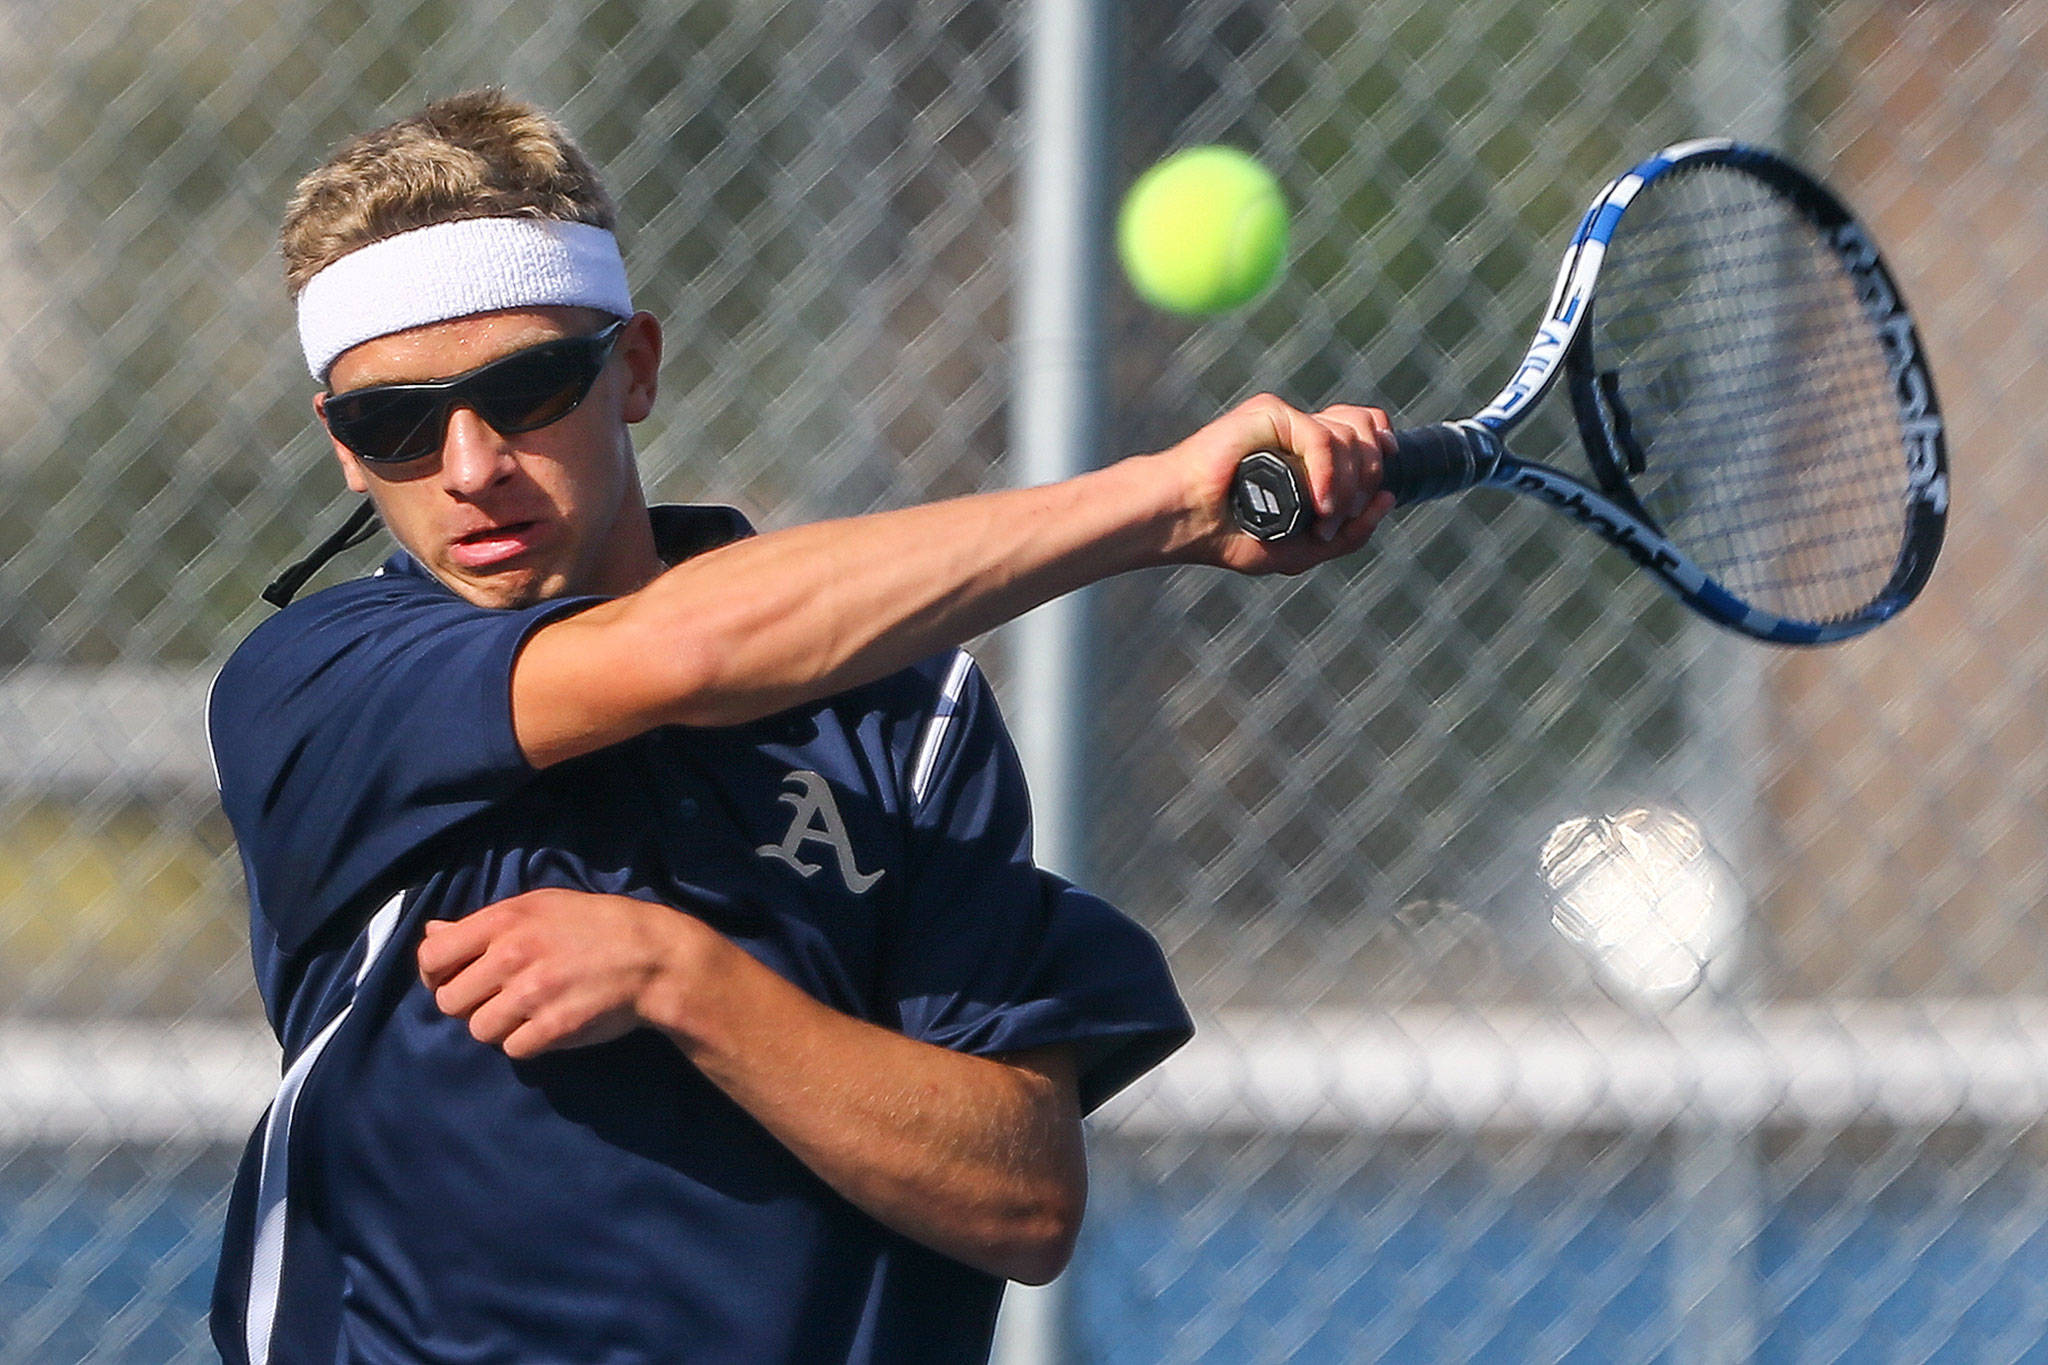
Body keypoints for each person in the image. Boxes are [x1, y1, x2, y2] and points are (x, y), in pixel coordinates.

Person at [207, 89, 1393, 1365]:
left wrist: (689, 982)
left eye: (530, 387)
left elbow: (1023, 1199)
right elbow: (684, 652)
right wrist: (1163, 503)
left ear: (636, 367)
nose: (470, 464)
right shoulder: (318, 684)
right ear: (339, 446)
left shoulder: (909, 715)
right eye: (394, 421)